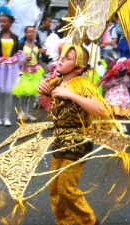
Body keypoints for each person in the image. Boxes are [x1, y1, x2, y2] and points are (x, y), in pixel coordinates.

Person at [37, 44, 109, 225]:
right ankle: (65, 221)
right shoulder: (57, 81)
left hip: (78, 142)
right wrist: (43, 92)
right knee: (54, 187)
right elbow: (53, 107)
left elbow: (101, 108)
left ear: (78, 67)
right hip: (59, 140)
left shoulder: (81, 84)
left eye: (68, 58)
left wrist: (71, 95)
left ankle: (89, 221)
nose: (61, 59)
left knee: (66, 188)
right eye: (62, 55)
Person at [12, 25, 44, 121]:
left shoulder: (37, 43)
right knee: (23, 91)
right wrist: (24, 59)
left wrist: (43, 52)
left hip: (36, 71)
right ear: (25, 34)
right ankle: (21, 112)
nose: (31, 33)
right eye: (29, 32)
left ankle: (29, 113)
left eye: (33, 32)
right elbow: (15, 58)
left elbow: (43, 57)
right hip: (24, 70)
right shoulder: (21, 44)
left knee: (33, 93)